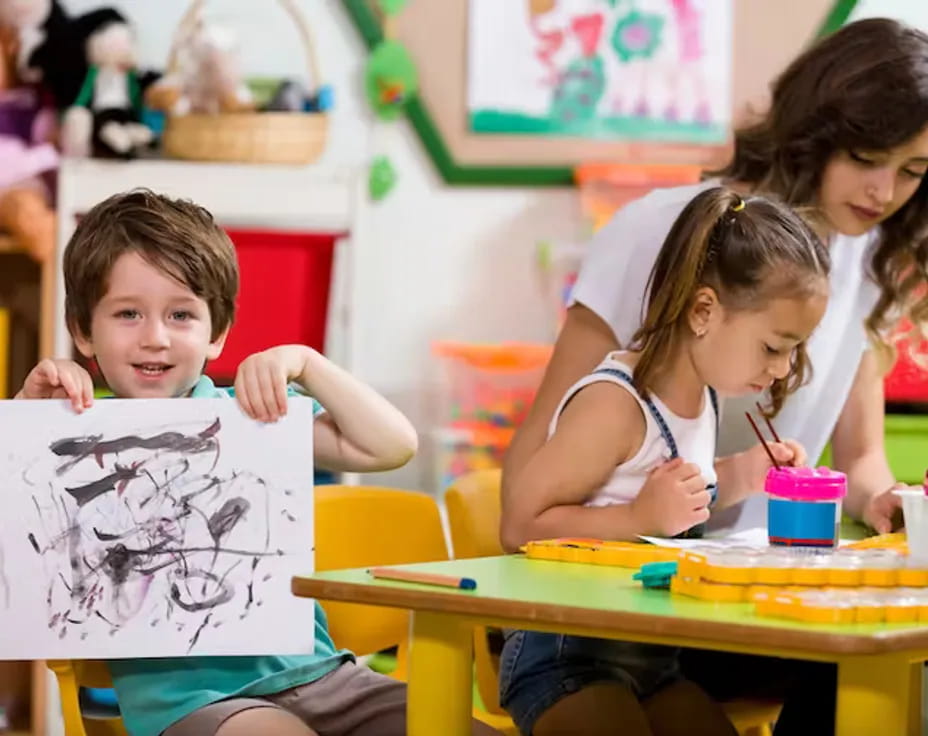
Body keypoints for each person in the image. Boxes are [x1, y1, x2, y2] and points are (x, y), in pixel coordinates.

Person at [16, 189, 499, 736]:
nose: (155, 337)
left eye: (181, 315)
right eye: (128, 313)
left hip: (325, 679)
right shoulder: (74, 434)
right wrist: (30, 419)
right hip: (196, 705)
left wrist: (308, 364)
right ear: (83, 330)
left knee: (464, 729)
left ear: (216, 332)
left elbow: (391, 445)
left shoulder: (249, 416)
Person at [504, 16, 928, 551]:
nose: (884, 191)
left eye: (913, 171)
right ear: (813, 134)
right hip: (606, 570)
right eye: (866, 159)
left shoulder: (868, 260)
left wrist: (882, 500)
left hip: (727, 567)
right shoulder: (660, 230)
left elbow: (861, 459)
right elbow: (540, 459)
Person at [500, 186, 829, 736]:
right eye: (773, 347)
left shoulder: (703, 397)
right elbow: (519, 525)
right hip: (562, 657)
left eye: (794, 350)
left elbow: (672, 496)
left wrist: (746, 474)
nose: (781, 368)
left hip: (649, 660)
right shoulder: (616, 404)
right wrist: (636, 522)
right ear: (704, 311)